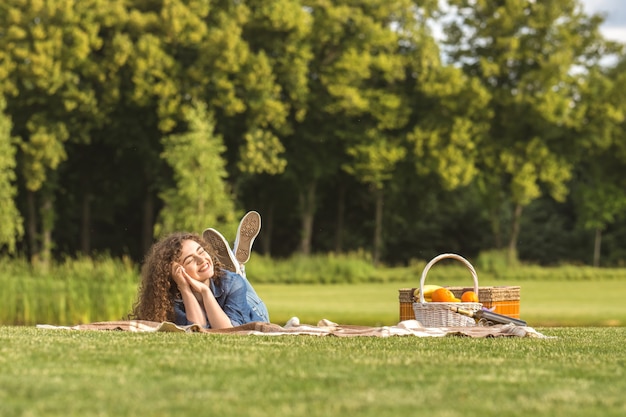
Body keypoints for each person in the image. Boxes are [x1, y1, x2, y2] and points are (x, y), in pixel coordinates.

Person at [130, 212, 269, 329]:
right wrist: (185, 288)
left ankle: (239, 269)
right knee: (234, 277)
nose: (201, 260)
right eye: (190, 260)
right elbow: (197, 330)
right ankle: (237, 266)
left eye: (201, 251)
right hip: (216, 285)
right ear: (175, 272)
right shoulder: (172, 300)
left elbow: (227, 330)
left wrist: (205, 292)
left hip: (255, 311)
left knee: (237, 279)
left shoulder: (232, 282)